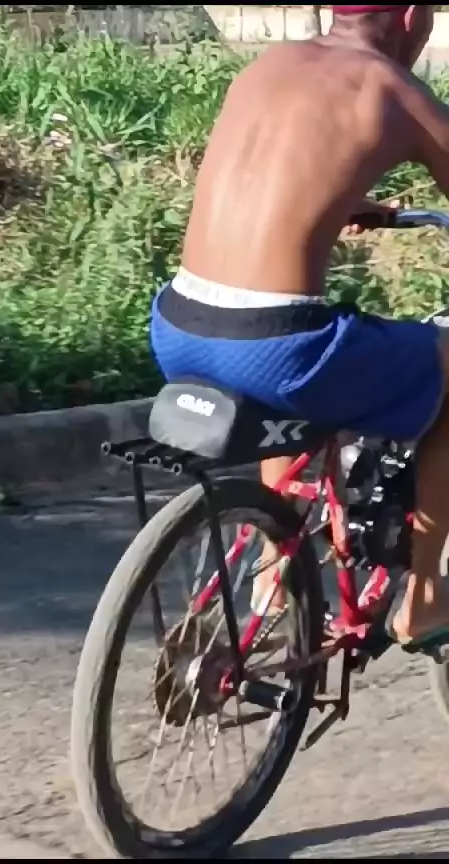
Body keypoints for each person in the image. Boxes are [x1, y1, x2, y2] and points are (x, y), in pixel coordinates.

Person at [150, 4, 449, 651]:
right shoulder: (394, 88)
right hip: (276, 349)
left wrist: (341, 200)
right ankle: (424, 599)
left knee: (288, 390)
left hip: (177, 326)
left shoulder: (268, 65)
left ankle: (271, 568)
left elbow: (267, 179)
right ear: (411, 17)